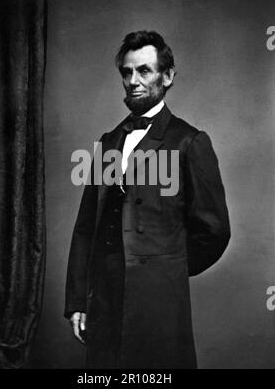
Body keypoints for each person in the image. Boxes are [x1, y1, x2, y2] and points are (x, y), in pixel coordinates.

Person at [64, 30, 231, 369]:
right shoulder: (108, 142)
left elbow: (214, 230)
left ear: (167, 76)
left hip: (160, 301)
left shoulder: (190, 141)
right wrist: (78, 300)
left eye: (144, 71)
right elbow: (86, 228)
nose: (133, 81)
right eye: (127, 72)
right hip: (106, 300)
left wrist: (167, 267)